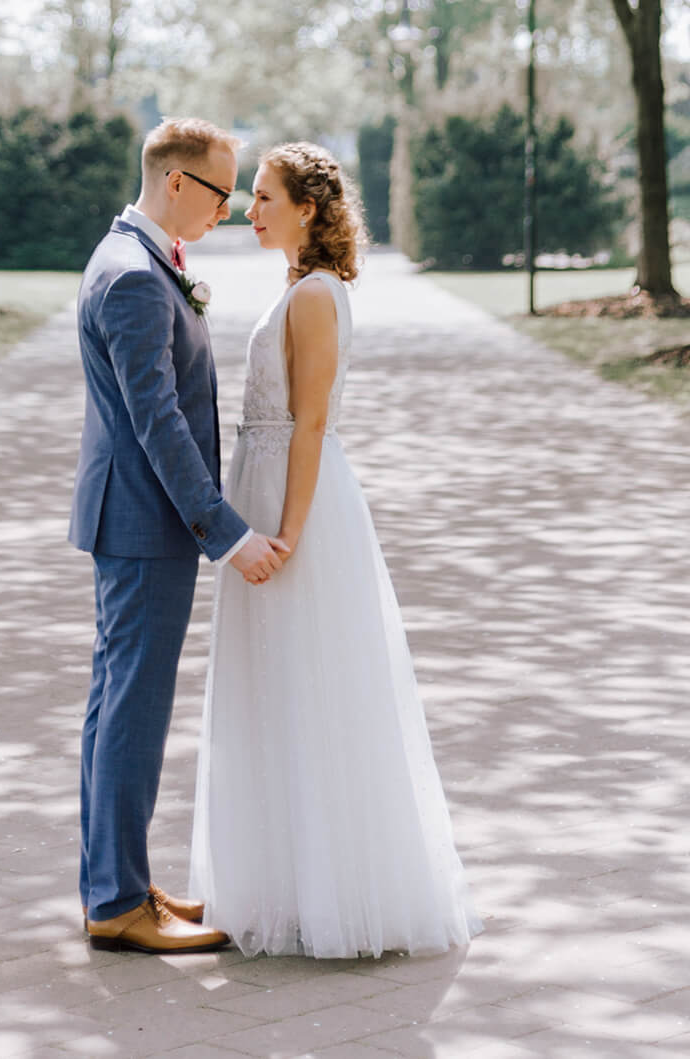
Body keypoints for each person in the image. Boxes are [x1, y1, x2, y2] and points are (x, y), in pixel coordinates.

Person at [190, 141, 481, 958]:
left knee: (304, 683)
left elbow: (312, 422)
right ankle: (281, 883)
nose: (251, 211)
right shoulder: (295, 286)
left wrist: (289, 526)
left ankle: (328, 894)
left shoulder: (316, 296)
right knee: (270, 685)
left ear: (309, 209)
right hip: (263, 485)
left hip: (295, 502)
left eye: (265, 198)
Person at [70, 117, 289, 955]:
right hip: (144, 523)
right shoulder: (131, 276)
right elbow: (156, 421)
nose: (230, 210)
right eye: (221, 191)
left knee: (114, 706)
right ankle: (119, 901)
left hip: (133, 520)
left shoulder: (137, 259)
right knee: (132, 709)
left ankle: (114, 884)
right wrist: (227, 533)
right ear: (174, 183)